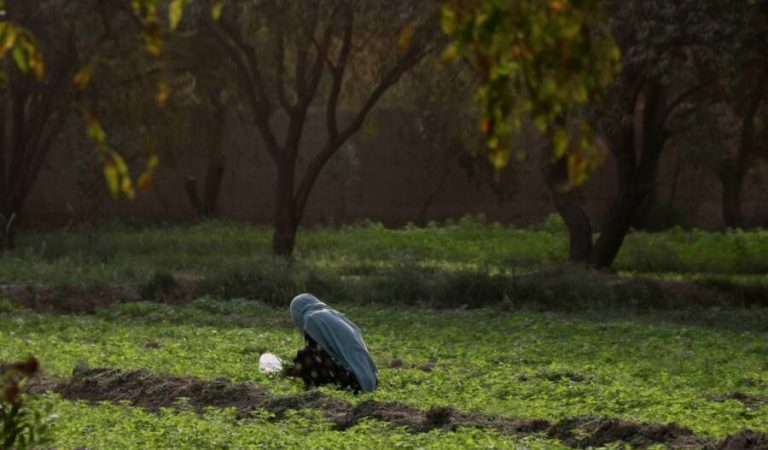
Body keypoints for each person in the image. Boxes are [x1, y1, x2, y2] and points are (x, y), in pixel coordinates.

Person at [287, 293, 378, 393]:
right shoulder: (333, 314)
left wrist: (293, 370)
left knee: (306, 355)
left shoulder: (312, 318)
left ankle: (323, 389)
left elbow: (313, 351)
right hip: (370, 380)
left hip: (354, 380)